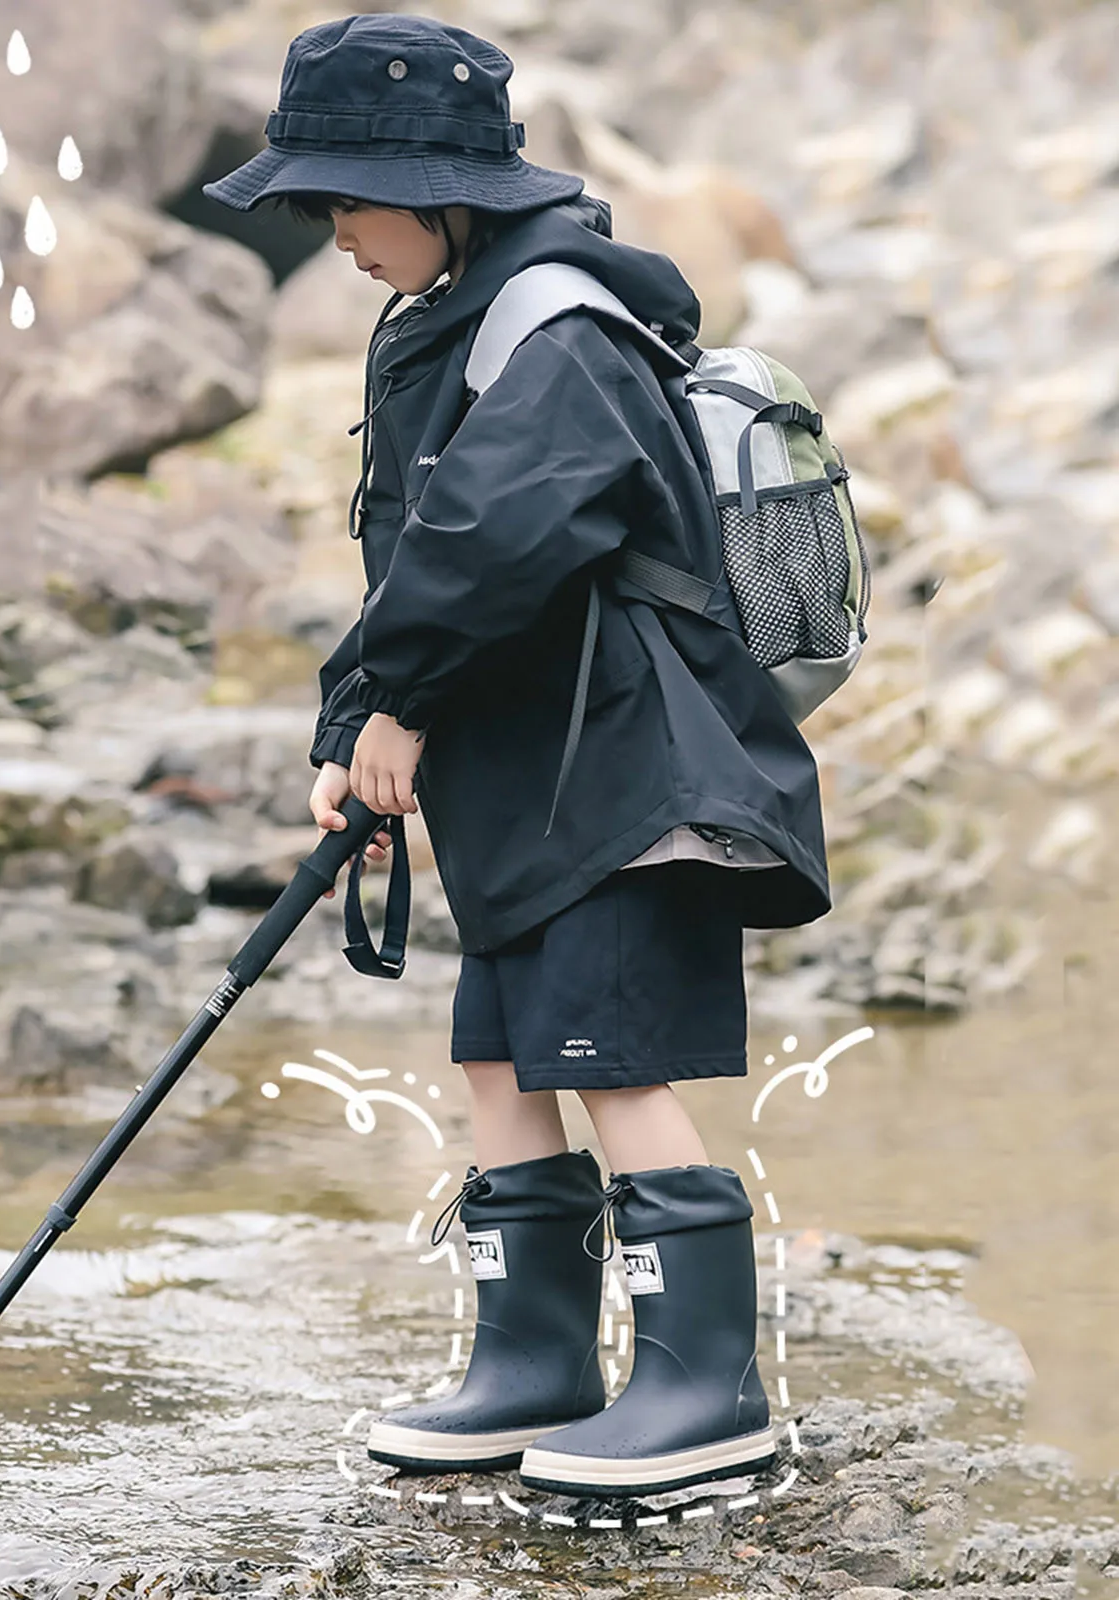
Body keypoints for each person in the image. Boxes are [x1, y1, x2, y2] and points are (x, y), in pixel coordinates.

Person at [201, 14, 831, 1499]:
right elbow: (414, 550)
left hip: (628, 771)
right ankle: (533, 1356)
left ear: (438, 191)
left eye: (346, 201)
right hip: (532, 768)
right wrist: (353, 730)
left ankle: (703, 1385)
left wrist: (404, 704)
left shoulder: (557, 328)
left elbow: (501, 540)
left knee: (610, 1054)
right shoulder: (448, 315)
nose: (334, 235)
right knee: (499, 1044)